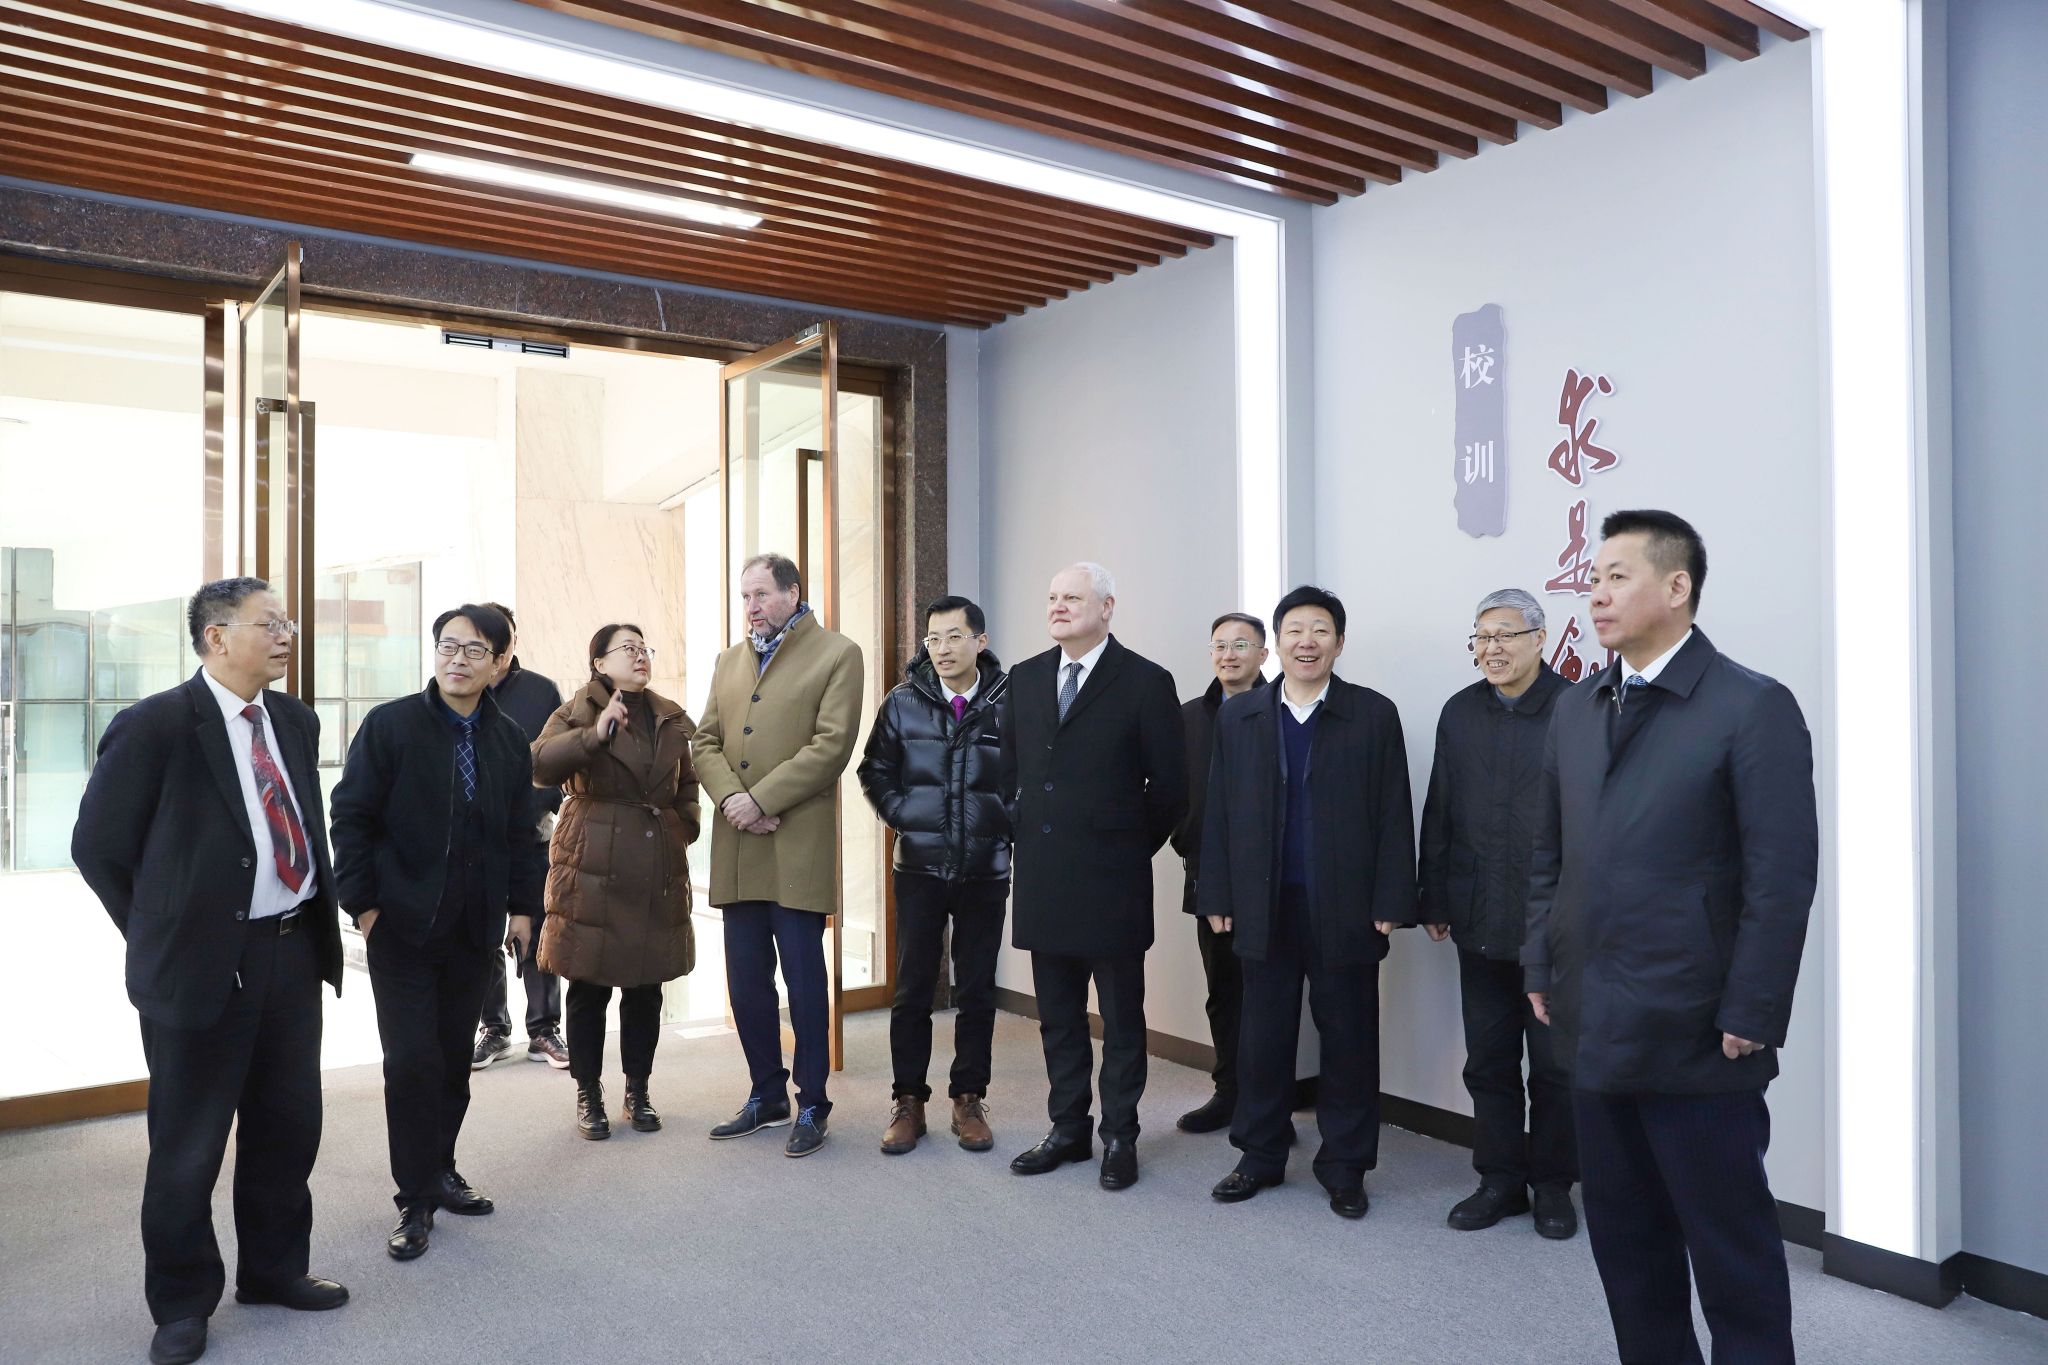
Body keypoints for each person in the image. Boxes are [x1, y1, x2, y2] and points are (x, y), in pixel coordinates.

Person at [1524, 510, 1817, 1364]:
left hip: (1699, 1028)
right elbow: (1549, 855)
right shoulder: (1577, 707)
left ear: (1678, 585)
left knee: (1730, 1246)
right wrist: (1541, 958)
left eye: (1616, 576)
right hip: (1594, 1019)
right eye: (1594, 577)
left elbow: (1781, 877)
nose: (1596, 593)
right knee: (1627, 1241)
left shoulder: (1750, 706)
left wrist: (1754, 1006)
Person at [72, 577, 348, 1365]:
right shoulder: (155, 725)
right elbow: (98, 847)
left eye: (288, 622)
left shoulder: (292, 719)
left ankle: (273, 1269)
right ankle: (182, 1302)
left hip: (291, 950)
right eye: (269, 623)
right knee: (189, 1144)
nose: (286, 634)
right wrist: (164, 933)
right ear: (216, 636)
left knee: (288, 1124)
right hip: (200, 968)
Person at [330, 603, 546, 1262]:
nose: (458, 659)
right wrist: (363, 906)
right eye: (448, 645)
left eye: (475, 649)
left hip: (472, 929)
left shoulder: (507, 738)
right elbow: (350, 816)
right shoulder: (390, 725)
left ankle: (441, 1169)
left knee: (453, 1062)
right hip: (401, 927)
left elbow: (520, 831)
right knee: (411, 1063)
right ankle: (415, 1198)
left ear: (500, 662)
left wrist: (521, 907)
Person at [1199, 585, 1416, 1220]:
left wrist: (1392, 896)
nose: (1307, 642)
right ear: (1277, 643)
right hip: (1263, 904)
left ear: (1339, 643)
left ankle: (1345, 1165)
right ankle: (1259, 1154)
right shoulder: (1241, 717)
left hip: (1346, 905)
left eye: (1320, 630)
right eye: (1294, 630)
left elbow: (1394, 811)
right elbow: (1219, 811)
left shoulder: (1372, 714)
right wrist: (1216, 890)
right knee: (1262, 1037)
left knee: (1349, 1038)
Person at [1003, 563, 1186, 1191]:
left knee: (1121, 1020)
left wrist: (1127, 848)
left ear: (1107, 607)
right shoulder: (1025, 678)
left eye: (1073, 598)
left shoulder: (1145, 681)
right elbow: (1009, 774)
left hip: (1113, 881)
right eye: (1052, 597)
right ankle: (1068, 1129)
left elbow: (1171, 788)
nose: (1058, 606)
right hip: (1044, 877)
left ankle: (1119, 1137)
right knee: (1057, 1017)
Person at [1418, 588, 1578, 1238]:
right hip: (1478, 915)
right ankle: (1499, 1179)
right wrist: (1434, 895)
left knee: (1556, 1068)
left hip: (1555, 928)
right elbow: (1440, 808)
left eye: (1505, 634)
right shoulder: (1460, 711)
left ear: (1541, 638)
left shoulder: (1579, 709)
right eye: (1482, 637)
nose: (1492, 649)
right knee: (1487, 1060)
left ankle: (1553, 1185)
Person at [692, 552, 864, 1157]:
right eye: (745, 596)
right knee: (746, 983)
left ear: (793, 593)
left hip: (795, 843)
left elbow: (832, 746)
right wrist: (733, 800)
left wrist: (761, 800)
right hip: (739, 845)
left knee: (804, 981)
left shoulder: (837, 654)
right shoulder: (728, 661)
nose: (752, 607)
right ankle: (766, 1094)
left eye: (761, 594)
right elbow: (704, 741)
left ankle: (812, 1101)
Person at [857, 595, 1013, 1155]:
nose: (942, 649)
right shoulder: (903, 702)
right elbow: (873, 768)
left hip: (985, 868)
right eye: (933, 639)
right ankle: (908, 1101)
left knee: (976, 988)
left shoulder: (1009, 702)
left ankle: (968, 1098)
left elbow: (1029, 776)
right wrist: (903, 815)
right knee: (913, 988)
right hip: (919, 867)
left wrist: (1006, 823)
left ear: (980, 641)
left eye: (954, 637)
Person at [532, 623, 701, 1140]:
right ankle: (588, 1091)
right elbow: (538, 764)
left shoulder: (668, 714)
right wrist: (594, 734)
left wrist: (683, 826)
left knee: (646, 987)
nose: (640, 655)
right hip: (593, 865)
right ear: (599, 663)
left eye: (644, 648)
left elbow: (687, 782)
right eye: (627, 648)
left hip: (654, 862)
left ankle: (638, 1089)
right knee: (588, 985)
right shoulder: (578, 709)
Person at [1170, 611, 1268, 1135]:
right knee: (1224, 991)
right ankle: (1228, 1093)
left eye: (1240, 645)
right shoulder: (1188, 717)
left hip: (1272, 877)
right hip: (1208, 874)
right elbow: (1169, 792)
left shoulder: (1283, 710)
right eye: (1220, 646)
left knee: (1270, 993)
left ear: (1263, 655)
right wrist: (1188, 840)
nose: (1228, 655)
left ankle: (1268, 1102)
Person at [473, 602, 568, 1071]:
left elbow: (558, 759)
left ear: (513, 643)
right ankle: (493, 1027)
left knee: (539, 928)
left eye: (503, 639)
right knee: (484, 931)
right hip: (475, 838)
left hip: (531, 832)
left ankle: (544, 1028)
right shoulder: (458, 688)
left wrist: (535, 807)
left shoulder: (540, 690)